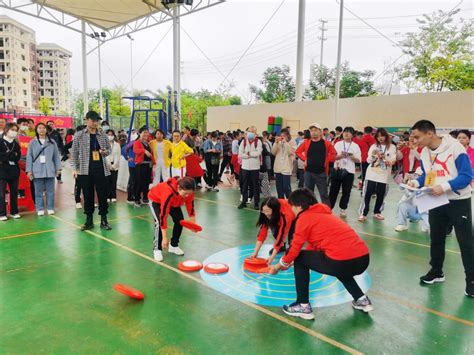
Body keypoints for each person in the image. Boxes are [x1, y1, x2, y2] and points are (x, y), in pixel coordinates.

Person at [268, 188, 373, 320]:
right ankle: (361, 299)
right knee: (338, 266)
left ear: (299, 207)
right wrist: (289, 260)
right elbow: (314, 246)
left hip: (342, 261)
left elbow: (295, 248)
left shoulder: (304, 218)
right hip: (363, 259)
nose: (291, 210)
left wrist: (279, 265)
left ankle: (303, 305)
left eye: (292, 206)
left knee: (300, 258)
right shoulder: (325, 214)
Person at [408, 120, 472, 297]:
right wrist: (416, 182)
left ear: (430, 134)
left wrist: (443, 187)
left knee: (466, 242)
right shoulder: (425, 152)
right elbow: (428, 175)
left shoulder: (455, 147)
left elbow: (467, 176)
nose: (415, 140)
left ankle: (472, 281)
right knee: (436, 238)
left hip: (459, 201)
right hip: (436, 199)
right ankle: (436, 271)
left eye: (417, 137)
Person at [70, 111, 112, 231]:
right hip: (84, 170)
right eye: (93, 120)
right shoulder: (79, 135)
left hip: (101, 169)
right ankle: (89, 220)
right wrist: (74, 168)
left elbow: (109, 149)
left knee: (102, 195)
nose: (95, 123)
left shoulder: (102, 134)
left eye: (97, 120)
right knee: (87, 196)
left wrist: (105, 152)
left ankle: (104, 220)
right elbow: (74, 153)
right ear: (86, 120)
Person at [148, 176, 196, 261]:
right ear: (179, 188)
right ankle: (157, 249)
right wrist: (165, 238)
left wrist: (193, 224)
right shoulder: (168, 192)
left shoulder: (188, 192)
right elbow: (163, 215)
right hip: (156, 200)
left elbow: (191, 208)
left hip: (174, 202)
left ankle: (173, 246)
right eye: (185, 193)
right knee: (159, 222)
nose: (187, 196)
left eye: (189, 193)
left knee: (180, 221)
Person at [358, 128, 397, 222]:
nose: (380, 138)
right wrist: (373, 156)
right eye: (378, 136)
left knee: (381, 195)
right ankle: (363, 213)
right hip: (371, 174)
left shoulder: (392, 147)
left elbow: (393, 160)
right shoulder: (373, 146)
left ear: (386, 136)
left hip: (384, 176)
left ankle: (377, 212)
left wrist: (387, 160)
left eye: (382, 136)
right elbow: (368, 160)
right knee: (366, 194)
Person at [296, 123, 336, 207]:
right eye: (311, 130)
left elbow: (333, 154)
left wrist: (326, 160)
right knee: (308, 194)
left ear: (320, 132)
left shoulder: (327, 143)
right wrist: (304, 159)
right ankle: (309, 209)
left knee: (324, 194)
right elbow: (298, 152)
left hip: (321, 173)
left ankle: (327, 212)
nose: (313, 132)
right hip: (308, 173)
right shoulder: (306, 142)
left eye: (315, 130)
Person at [26, 122, 61, 215]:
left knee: (50, 191)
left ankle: (50, 207)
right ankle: (40, 208)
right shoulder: (32, 142)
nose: (42, 130)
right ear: (36, 130)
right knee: (38, 191)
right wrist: (29, 170)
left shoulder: (52, 142)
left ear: (46, 130)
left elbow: (56, 156)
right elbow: (29, 157)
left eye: (44, 128)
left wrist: (58, 169)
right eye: (39, 128)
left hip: (50, 169)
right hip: (36, 169)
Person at [250, 197, 295, 265]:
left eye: (267, 211)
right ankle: (281, 247)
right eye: (263, 211)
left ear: (274, 210)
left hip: (295, 217)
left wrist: (272, 257)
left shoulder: (286, 214)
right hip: (278, 216)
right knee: (275, 229)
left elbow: (282, 235)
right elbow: (262, 233)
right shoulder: (266, 212)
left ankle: (293, 254)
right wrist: (255, 253)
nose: (265, 213)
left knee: (293, 238)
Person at [329, 127, 361, 218]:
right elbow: (332, 157)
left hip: (349, 171)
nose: (346, 134)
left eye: (349, 132)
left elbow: (359, 160)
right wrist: (340, 156)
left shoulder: (355, 146)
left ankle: (343, 209)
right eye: (345, 132)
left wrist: (351, 156)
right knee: (333, 190)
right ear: (342, 133)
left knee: (346, 191)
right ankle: (329, 208)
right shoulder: (337, 144)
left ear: (352, 135)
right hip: (337, 169)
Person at [0, 123, 21, 221]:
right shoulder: (0, 141)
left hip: (14, 171)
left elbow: (17, 157)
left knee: (14, 192)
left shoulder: (15, 144)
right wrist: (9, 155)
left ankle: (14, 211)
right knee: (1, 193)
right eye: (12, 129)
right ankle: (2, 213)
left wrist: (6, 156)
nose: (14, 132)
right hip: (2, 171)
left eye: (16, 130)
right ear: (7, 130)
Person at [238, 127, 263, 210]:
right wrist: (248, 155)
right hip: (245, 167)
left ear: (255, 133)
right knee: (244, 185)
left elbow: (258, 153)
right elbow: (240, 153)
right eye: (249, 131)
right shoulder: (243, 141)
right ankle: (243, 202)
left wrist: (248, 154)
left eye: (252, 131)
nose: (250, 133)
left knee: (255, 185)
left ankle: (256, 203)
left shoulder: (258, 141)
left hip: (255, 167)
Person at [272, 128, 296, 199]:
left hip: (286, 168)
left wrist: (285, 143)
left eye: (284, 135)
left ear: (288, 135)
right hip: (278, 167)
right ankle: (281, 203)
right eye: (281, 135)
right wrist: (276, 143)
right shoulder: (278, 142)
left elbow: (290, 152)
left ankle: (290, 202)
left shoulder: (292, 142)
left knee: (286, 187)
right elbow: (273, 152)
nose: (282, 137)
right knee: (279, 188)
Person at [133, 127, 154, 206]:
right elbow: (135, 150)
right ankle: (137, 199)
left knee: (147, 182)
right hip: (140, 165)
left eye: (147, 132)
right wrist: (144, 151)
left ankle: (145, 198)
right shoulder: (137, 142)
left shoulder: (148, 143)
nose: (146, 134)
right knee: (139, 182)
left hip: (148, 165)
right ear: (140, 133)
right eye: (144, 132)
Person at [105, 129, 121, 203]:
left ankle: (114, 196)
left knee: (114, 181)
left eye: (111, 135)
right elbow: (105, 155)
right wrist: (109, 165)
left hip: (115, 165)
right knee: (107, 181)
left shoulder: (117, 144)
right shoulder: (104, 144)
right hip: (106, 165)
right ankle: (108, 196)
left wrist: (114, 166)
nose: (110, 136)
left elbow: (118, 155)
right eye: (108, 135)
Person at [122, 131, 138, 204]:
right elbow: (124, 149)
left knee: (136, 181)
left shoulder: (142, 143)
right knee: (132, 181)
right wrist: (127, 157)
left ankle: (134, 196)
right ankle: (130, 197)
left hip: (138, 165)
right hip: (132, 165)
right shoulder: (133, 142)